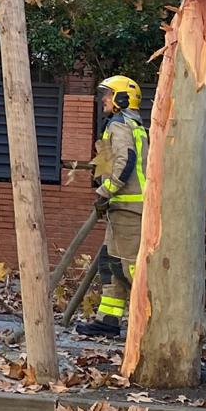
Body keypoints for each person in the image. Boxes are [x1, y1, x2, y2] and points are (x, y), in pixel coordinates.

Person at [76, 74, 146, 339]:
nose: (103, 99)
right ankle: (108, 320)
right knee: (110, 263)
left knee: (131, 268)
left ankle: (150, 321)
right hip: (121, 208)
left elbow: (125, 161)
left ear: (122, 98)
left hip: (130, 209)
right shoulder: (129, 125)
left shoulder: (121, 125)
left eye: (108, 94)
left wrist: (106, 191)